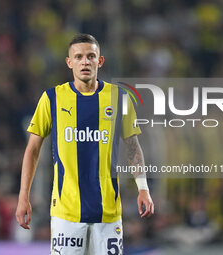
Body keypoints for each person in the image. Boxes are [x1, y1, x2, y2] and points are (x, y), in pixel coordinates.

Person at [15, 33, 154, 254]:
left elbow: (133, 146)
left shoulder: (120, 98)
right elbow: (32, 149)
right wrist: (23, 197)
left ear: (100, 61)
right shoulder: (52, 98)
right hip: (66, 213)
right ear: (69, 63)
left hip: (108, 213)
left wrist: (143, 188)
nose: (85, 62)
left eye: (91, 56)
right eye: (78, 57)